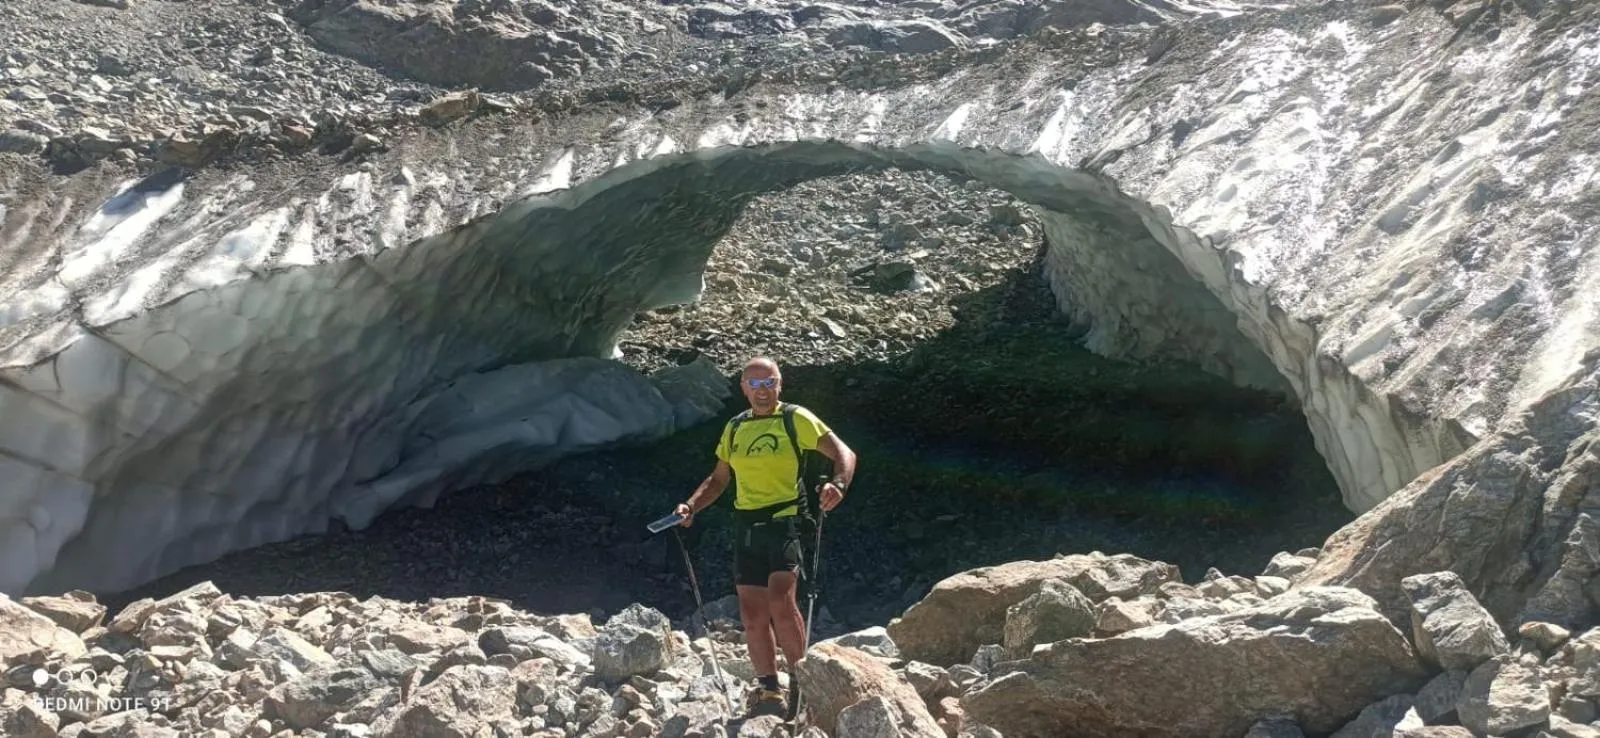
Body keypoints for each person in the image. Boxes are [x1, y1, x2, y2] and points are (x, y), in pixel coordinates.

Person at [675, 356, 857, 715]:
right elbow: (719, 479)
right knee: (752, 614)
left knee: (781, 602)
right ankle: (769, 689)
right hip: (747, 525)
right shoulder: (735, 428)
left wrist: (838, 484)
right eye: (755, 384)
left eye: (769, 383)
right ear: (743, 388)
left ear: (780, 384)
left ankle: (802, 684)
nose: (762, 391)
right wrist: (691, 506)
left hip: (787, 520)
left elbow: (845, 453)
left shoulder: (795, 418)